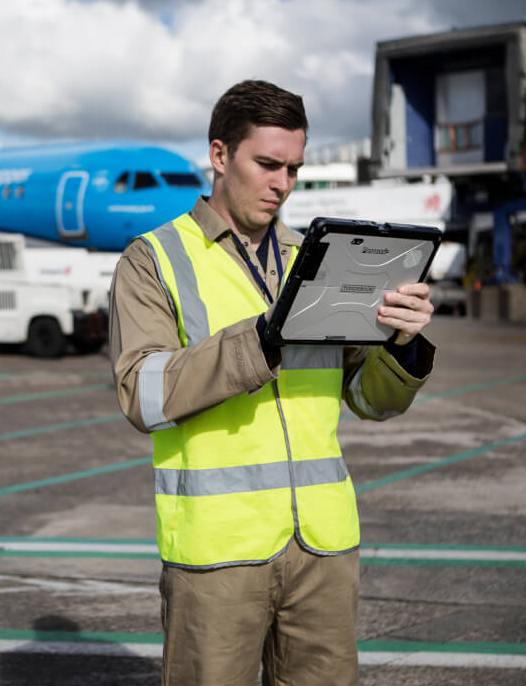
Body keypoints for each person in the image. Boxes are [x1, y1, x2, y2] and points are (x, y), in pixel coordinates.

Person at [108, 79, 435, 686]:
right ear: (219, 154)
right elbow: (142, 394)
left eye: (293, 169)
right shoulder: (152, 260)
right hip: (217, 553)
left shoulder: (317, 260)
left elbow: (370, 400)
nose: (283, 184)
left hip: (323, 548)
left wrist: (403, 344)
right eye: (267, 164)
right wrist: (259, 341)